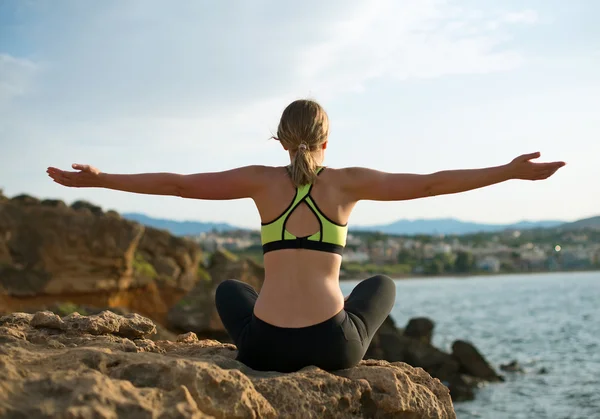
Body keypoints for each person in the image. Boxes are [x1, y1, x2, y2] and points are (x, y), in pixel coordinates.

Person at [47, 99, 565, 373]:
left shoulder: (259, 179)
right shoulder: (347, 182)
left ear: (279, 139)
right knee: (381, 282)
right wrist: (507, 171)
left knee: (229, 289)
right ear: (326, 140)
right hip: (333, 347)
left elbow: (177, 185)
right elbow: (430, 184)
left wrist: (100, 179)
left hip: (264, 349)